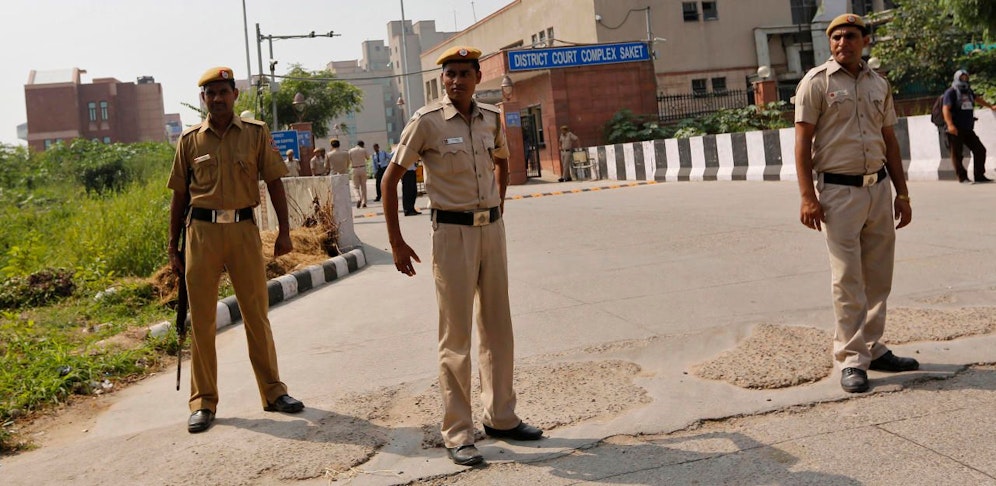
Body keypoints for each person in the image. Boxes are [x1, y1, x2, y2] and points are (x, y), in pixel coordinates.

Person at [380, 46, 543, 467]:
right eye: (449, 74)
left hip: (491, 230)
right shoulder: (426, 123)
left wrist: (499, 204)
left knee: (497, 326)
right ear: (443, 79)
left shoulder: (490, 118)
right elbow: (390, 178)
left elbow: (503, 161)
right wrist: (396, 241)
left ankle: (502, 417)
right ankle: (457, 431)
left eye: (464, 73)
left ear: (476, 76)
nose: (456, 80)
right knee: (455, 337)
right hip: (451, 234)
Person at [167, 66, 304, 434]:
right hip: (201, 233)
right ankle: (203, 402)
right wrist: (172, 248)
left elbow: (274, 182)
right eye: (210, 93)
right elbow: (179, 195)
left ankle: (274, 392)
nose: (217, 98)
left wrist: (285, 232)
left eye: (223, 91)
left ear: (235, 95)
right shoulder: (190, 141)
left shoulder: (256, 135)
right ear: (203, 99)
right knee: (203, 321)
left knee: (256, 314)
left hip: (244, 230)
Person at [794, 14, 917, 394]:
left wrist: (903, 192)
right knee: (848, 279)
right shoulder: (816, 83)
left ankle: (874, 348)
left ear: (864, 41)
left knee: (878, 276)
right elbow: (801, 143)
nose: (841, 42)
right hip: (837, 193)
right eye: (835, 37)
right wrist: (807, 197)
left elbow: (890, 142)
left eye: (850, 36)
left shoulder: (879, 83)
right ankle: (850, 357)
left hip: (878, 189)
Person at [942, 69, 996, 183]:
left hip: (967, 128)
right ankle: (962, 177)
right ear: (957, 78)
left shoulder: (968, 91)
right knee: (957, 154)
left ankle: (979, 175)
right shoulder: (951, 92)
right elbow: (945, 109)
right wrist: (950, 125)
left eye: (966, 77)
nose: (965, 80)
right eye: (962, 78)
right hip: (955, 128)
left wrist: (990, 106)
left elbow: (977, 99)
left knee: (980, 150)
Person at [348, 140, 369, 208]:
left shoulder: (351, 151)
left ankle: (358, 198)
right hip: (363, 168)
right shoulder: (363, 150)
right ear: (362, 144)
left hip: (354, 168)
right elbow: (368, 158)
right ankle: (364, 202)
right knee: (363, 186)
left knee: (355, 187)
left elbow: (349, 160)